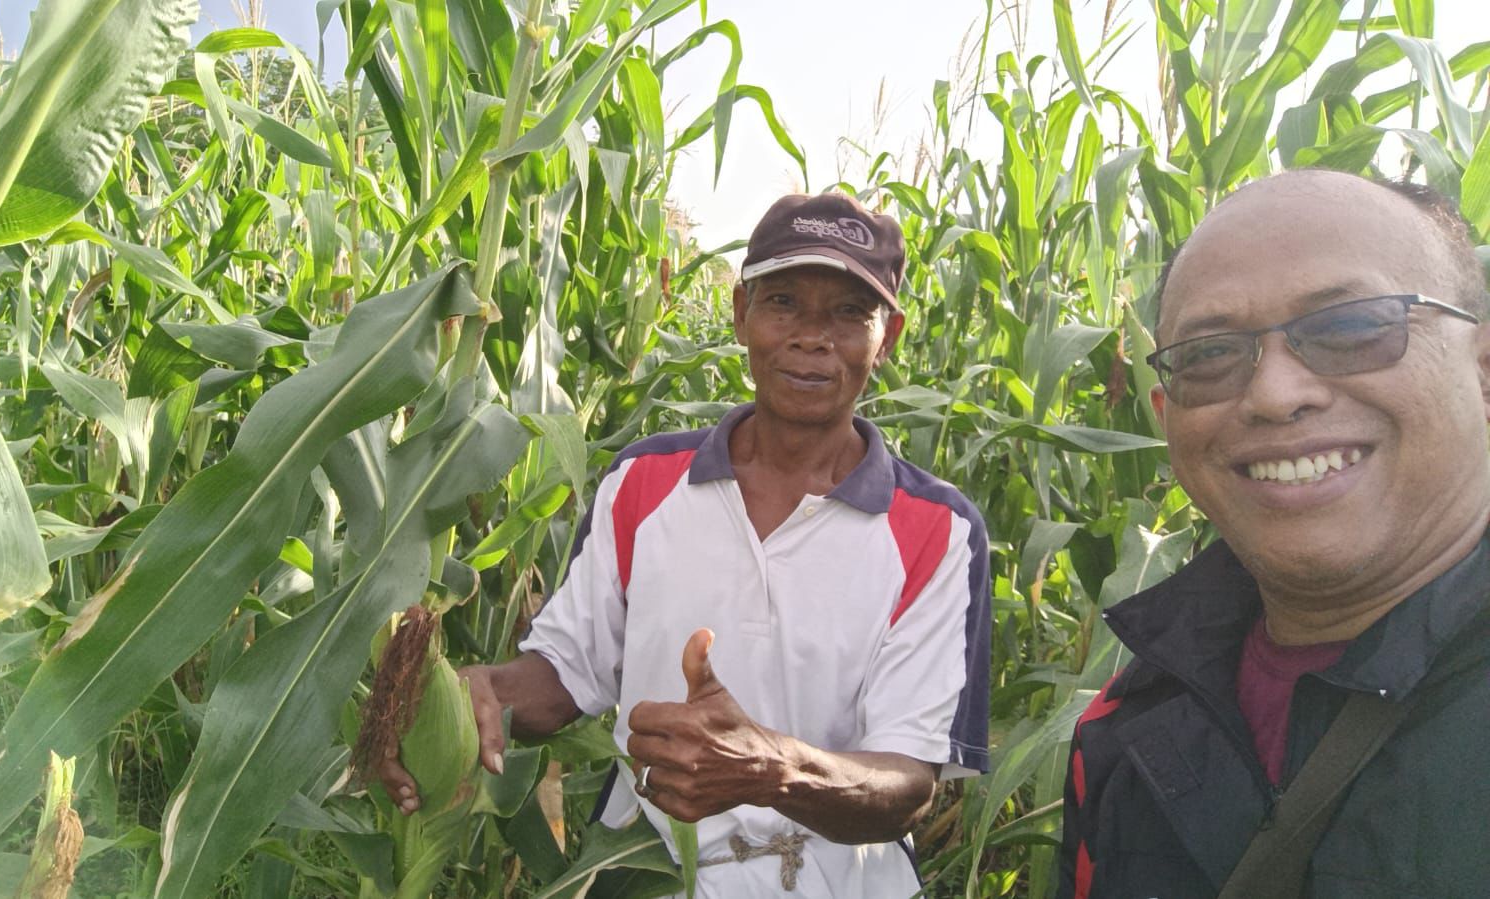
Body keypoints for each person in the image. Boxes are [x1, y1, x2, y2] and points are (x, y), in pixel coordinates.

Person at [379, 192, 992, 896]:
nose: (811, 337)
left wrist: (771, 768)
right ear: (740, 314)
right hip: (641, 871)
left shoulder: (937, 531)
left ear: (889, 337)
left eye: (850, 312)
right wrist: (472, 696)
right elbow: (562, 677)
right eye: (784, 301)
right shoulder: (643, 483)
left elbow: (907, 782)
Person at [1057, 169, 1490, 898]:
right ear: (1165, 415)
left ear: (1482, 369)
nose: (1274, 394)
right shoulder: (1121, 725)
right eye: (1210, 355)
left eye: (1352, 326)